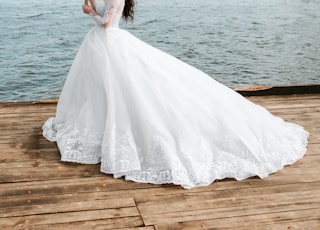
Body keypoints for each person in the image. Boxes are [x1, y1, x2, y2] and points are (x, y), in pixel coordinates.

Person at [43, 0, 308, 189]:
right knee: (100, 90)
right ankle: (99, 127)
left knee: (127, 89)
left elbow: (106, 22)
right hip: (100, 46)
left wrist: (89, 10)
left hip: (110, 43)